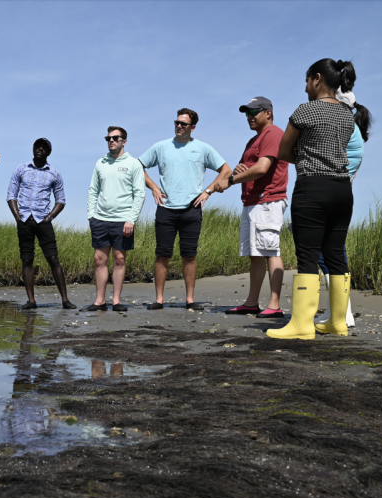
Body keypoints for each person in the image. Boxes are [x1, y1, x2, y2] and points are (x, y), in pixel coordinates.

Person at [267, 58, 370, 340]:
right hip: (342, 190)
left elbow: (283, 152)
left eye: (306, 82)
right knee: (336, 253)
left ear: (316, 79)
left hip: (312, 186)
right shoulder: (348, 115)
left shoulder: (306, 111)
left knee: (308, 255)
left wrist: (304, 153)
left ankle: (302, 324)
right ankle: (338, 322)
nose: (304, 89)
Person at [139, 108, 231, 310]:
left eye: (184, 124)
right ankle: (159, 300)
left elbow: (226, 170)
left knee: (189, 254)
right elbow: (138, 166)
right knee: (162, 253)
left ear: (193, 127)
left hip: (192, 209)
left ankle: (190, 300)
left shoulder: (203, 148)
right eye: (177, 122)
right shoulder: (161, 147)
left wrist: (208, 191)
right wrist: (154, 187)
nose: (179, 126)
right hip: (166, 208)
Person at [214, 97, 289, 318]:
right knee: (255, 254)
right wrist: (239, 170)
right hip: (252, 202)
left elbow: (262, 168)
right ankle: (251, 302)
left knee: (270, 251)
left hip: (268, 201)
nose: (250, 116)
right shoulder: (253, 141)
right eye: (247, 113)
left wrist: (229, 181)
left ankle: (274, 305)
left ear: (268, 113)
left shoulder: (273, 134)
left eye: (254, 111)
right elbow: (247, 168)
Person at [316, 88, 372, 328]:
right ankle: (342, 313)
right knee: (334, 253)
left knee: (328, 255)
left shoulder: (343, 128)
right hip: (341, 193)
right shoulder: (354, 130)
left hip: (328, 193)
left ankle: (343, 313)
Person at [6, 138, 76, 310]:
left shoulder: (54, 173)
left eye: (44, 148)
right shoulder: (21, 169)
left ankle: (65, 300)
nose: (40, 149)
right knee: (27, 259)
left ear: (48, 152)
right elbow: (11, 195)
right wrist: (18, 218)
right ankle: (31, 301)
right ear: (33, 149)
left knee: (53, 258)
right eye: (37, 146)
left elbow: (61, 200)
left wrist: (50, 217)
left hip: (43, 220)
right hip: (24, 220)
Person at [86, 126, 146, 312]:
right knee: (99, 260)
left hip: (123, 220)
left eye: (115, 138)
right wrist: (91, 215)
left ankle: (116, 301)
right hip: (101, 219)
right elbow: (93, 191)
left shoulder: (133, 163)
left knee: (119, 259)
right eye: (108, 138)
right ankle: (100, 301)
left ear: (124, 141)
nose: (111, 141)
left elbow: (140, 193)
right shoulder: (100, 163)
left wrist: (131, 220)